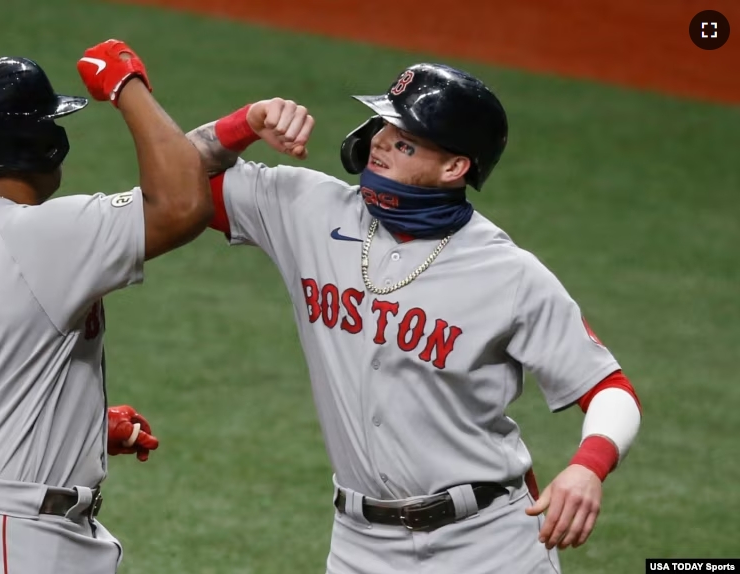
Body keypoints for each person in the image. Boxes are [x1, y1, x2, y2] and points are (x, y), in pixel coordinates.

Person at [185, 63, 642, 573]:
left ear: (454, 169)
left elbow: (609, 387)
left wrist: (588, 468)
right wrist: (244, 123)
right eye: (383, 126)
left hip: (488, 544)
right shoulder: (307, 210)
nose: (380, 142)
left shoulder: (507, 272)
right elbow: (176, 177)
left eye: (405, 142)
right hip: (360, 546)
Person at [0, 39, 211, 574]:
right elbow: (181, 202)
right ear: (36, 141)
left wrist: (75, 427)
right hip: (15, 535)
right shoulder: (39, 235)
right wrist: (126, 86)